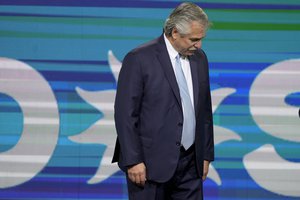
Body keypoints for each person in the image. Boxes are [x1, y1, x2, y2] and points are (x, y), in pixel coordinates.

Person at [112, 2, 214, 200]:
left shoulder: (200, 58)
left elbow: (205, 110)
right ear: (175, 32)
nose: (199, 45)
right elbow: (125, 114)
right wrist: (133, 160)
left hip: (191, 165)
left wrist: (205, 154)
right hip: (149, 166)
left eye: (201, 39)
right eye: (194, 39)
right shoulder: (139, 58)